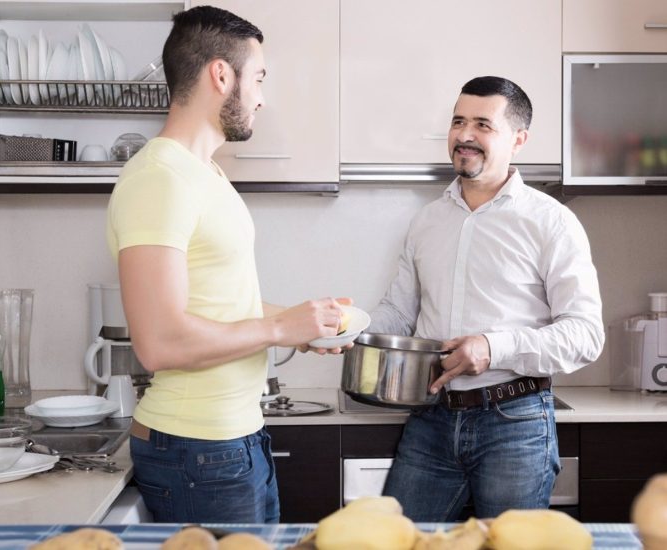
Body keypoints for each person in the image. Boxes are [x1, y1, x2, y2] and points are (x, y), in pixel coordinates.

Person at [106, 5, 348, 524]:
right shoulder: (158, 178)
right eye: (258, 78)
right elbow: (160, 342)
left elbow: (220, 303)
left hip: (232, 440)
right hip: (196, 449)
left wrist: (302, 326)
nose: (261, 96)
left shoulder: (206, 175)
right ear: (221, 74)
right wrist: (279, 326)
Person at [371, 76, 604, 521]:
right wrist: (348, 327)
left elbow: (585, 335)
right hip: (432, 419)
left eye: (483, 124)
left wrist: (493, 346)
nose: (465, 135)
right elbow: (399, 313)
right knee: (398, 540)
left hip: (515, 423)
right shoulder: (428, 221)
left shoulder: (552, 222)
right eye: (458, 121)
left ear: (518, 139)